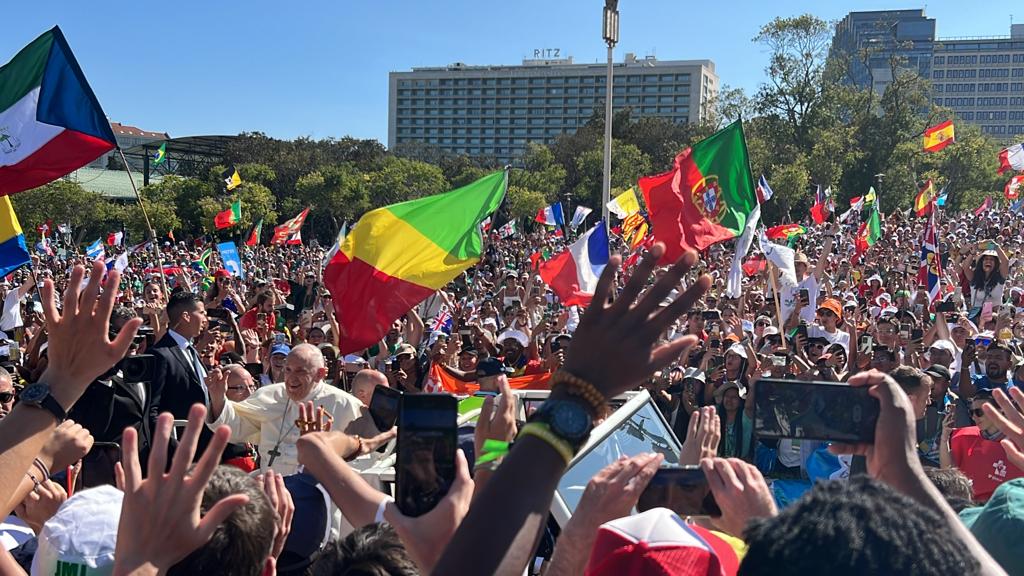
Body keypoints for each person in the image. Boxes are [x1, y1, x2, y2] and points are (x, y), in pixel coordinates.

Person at [206, 343, 364, 474]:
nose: (291, 378)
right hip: (272, 485)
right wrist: (218, 398)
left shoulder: (344, 404)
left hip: (317, 492)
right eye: (288, 370)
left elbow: (360, 459)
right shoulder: (270, 395)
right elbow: (236, 427)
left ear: (320, 374)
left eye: (300, 371)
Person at [150, 291, 212, 455]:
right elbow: (153, 411)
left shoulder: (191, 351)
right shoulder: (161, 354)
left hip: (203, 445)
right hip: (178, 451)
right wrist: (175, 447)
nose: (205, 319)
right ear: (186, 316)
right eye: (201, 313)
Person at [941, 391, 1024, 502]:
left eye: (979, 412)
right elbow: (947, 470)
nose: (974, 417)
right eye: (971, 412)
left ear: (1000, 410)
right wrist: (944, 438)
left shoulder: (1019, 440)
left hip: (1010, 504)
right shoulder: (965, 437)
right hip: (971, 504)